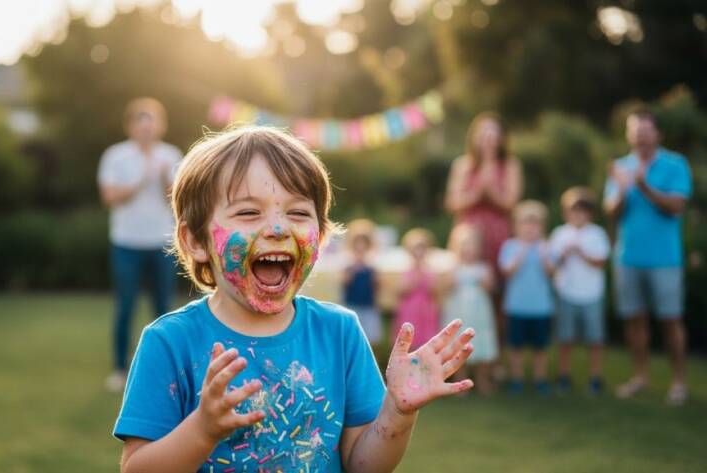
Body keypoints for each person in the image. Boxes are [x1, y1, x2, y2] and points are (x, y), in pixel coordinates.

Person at [113, 126, 476, 473]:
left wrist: (397, 412)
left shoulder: (340, 333)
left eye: (299, 213)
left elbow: (364, 465)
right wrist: (201, 430)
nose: (277, 229)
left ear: (319, 238)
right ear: (194, 240)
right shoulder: (170, 341)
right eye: (248, 212)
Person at [604, 109, 692, 406]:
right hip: (628, 258)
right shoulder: (621, 167)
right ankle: (640, 378)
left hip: (665, 259)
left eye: (645, 131)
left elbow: (676, 207)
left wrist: (643, 186)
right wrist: (621, 189)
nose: (640, 136)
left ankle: (679, 382)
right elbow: (612, 213)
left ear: (657, 134)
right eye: (635, 131)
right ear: (629, 135)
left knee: (670, 321)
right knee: (634, 321)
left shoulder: (675, 164)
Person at [97, 97, 182, 391]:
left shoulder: (172, 155)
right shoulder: (115, 156)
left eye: (152, 122)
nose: (146, 129)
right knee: (125, 307)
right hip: (126, 243)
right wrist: (139, 179)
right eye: (140, 122)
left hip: (163, 243)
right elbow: (109, 197)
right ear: (130, 126)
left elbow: (177, 201)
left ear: (161, 125)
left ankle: (163, 371)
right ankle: (120, 369)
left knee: (164, 309)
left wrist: (160, 178)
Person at [444, 112, 523, 376]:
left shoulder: (510, 165)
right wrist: (479, 191)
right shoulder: (463, 165)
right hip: (468, 237)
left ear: (501, 138)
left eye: (494, 133)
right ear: (475, 137)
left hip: (498, 235)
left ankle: (493, 360)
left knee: (497, 299)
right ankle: (461, 360)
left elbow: (510, 203)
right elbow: (453, 203)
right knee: (462, 299)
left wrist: (492, 192)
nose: (489, 139)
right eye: (484, 133)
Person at [549, 187, 610, 396]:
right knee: (565, 338)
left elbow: (600, 261)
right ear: (566, 213)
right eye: (573, 211)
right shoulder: (560, 233)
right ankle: (564, 375)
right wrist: (565, 254)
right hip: (566, 293)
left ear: (590, 214)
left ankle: (595, 377)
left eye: (582, 211)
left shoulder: (597, 233)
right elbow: (552, 264)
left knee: (595, 339)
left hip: (592, 294)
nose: (577, 216)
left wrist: (581, 252)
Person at [498, 200, 555, 395]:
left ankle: (540, 380)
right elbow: (507, 272)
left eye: (535, 224)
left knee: (540, 348)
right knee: (516, 347)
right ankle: (517, 380)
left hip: (541, 307)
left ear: (542, 226)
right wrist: (522, 251)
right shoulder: (510, 246)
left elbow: (551, 272)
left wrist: (543, 255)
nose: (530, 228)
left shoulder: (546, 247)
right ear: (517, 226)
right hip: (516, 306)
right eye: (526, 223)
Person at [443, 223, 499, 395]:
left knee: (480, 342)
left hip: (479, 313)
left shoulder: (483, 268)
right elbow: (445, 287)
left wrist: (486, 283)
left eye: (472, 245)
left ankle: (482, 379)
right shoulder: (453, 268)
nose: (468, 249)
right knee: (459, 344)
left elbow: (491, 287)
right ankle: (461, 382)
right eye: (464, 245)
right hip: (459, 311)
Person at [393, 228, 441, 350]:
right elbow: (401, 290)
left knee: (426, 341)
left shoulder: (430, 271)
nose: (419, 252)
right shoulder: (405, 270)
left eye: (422, 249)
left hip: (426, 310)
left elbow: (435, 291)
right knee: (409, 340)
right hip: (410, 310)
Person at [342, 219, 382, 347]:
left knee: (370, 340)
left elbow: (377, 287)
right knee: (351, 340)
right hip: (352, 306)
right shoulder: (347, 265)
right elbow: (344, 283)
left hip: (369, 306)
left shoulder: (372, 266)